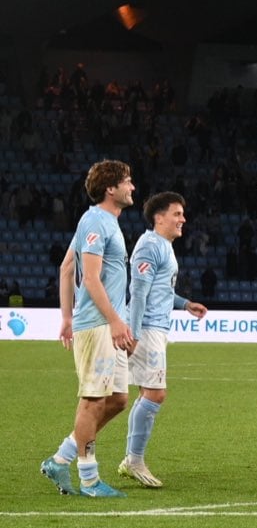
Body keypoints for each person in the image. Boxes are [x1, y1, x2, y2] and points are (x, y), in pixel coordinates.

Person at [42, 160, 139, 498]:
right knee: (93, 400)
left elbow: (67, 267)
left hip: (100, 322)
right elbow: (93, 277)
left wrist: (66, 318)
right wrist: (114, 320)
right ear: (110, 189)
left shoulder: (100, 222)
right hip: (99, 324)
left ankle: (61, 457)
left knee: (118, 399)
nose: (132, 187)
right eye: (127, 181)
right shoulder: (96, 220)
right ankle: (88, 479)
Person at [117, 191, 209, 487]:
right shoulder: (149, 245)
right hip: (146, 328)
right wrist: (134, 333)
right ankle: (133, 460)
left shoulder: (163, 246)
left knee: (147, 394)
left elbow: (160, 289)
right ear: (159, 217)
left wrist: (184, 304)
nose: (183, 219)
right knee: (154, 394)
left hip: (154, 327)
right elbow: (139, 292)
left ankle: (130, 458)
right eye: (177, 214)